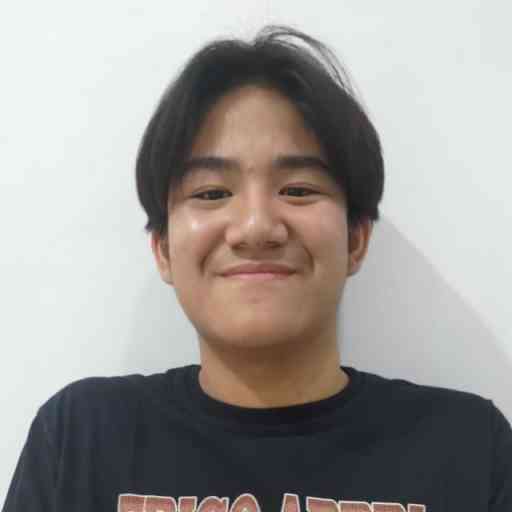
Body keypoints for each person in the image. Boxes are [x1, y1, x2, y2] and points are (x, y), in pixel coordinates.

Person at [3, 25, 511, 512]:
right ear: (162, 248)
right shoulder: (81, 440)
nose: (255, 227)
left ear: (356, 238)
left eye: (298, 189)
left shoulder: (468, 448)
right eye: (211, 193)